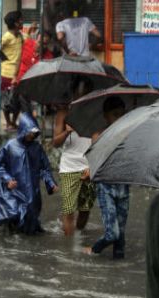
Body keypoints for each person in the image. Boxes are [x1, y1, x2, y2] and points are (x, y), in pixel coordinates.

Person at [0, 112, 59, 234]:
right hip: (14, 190)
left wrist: (50, 183)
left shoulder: (37, 148)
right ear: (23, 129)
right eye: (30, 132)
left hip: (32, 193)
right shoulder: (10, 146)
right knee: (12, 217)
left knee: (30, 223)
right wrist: (7, 179)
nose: (31, 135)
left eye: (34, 133)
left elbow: (44, 168)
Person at [83, 96, 130, 259]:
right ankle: (94, 250)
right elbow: (96, 161)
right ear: (105, 116)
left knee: (120, 240)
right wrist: (90, 171)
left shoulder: (128, 135)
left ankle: (118, 267)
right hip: (106, 189)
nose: (119, 118)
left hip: (123, 187)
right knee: (112, 234)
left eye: (122, 114)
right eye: (115, 114)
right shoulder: (98, 136)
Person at [53, 77, 95, 236]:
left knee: (85, 210)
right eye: (79, 94)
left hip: (89, 167)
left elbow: (99, 139)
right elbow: (55, 143)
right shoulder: (64, 114)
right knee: (68, 210)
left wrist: (93, 166)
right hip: (69, 167)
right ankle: (69, 246)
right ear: (73, 94)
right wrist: (67, 131)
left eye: (86, 94)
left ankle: (78, 239)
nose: (82, 97)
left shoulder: (95, 114)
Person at [0, 11, 24, 131]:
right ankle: (8, 123)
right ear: (15, 23)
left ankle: (14, 122)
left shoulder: (20, 36)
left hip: (18, 74)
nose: (22, 22)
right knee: (6, 101)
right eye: (20, 20)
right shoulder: (6, 37)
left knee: (17, 100)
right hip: (6, 74)